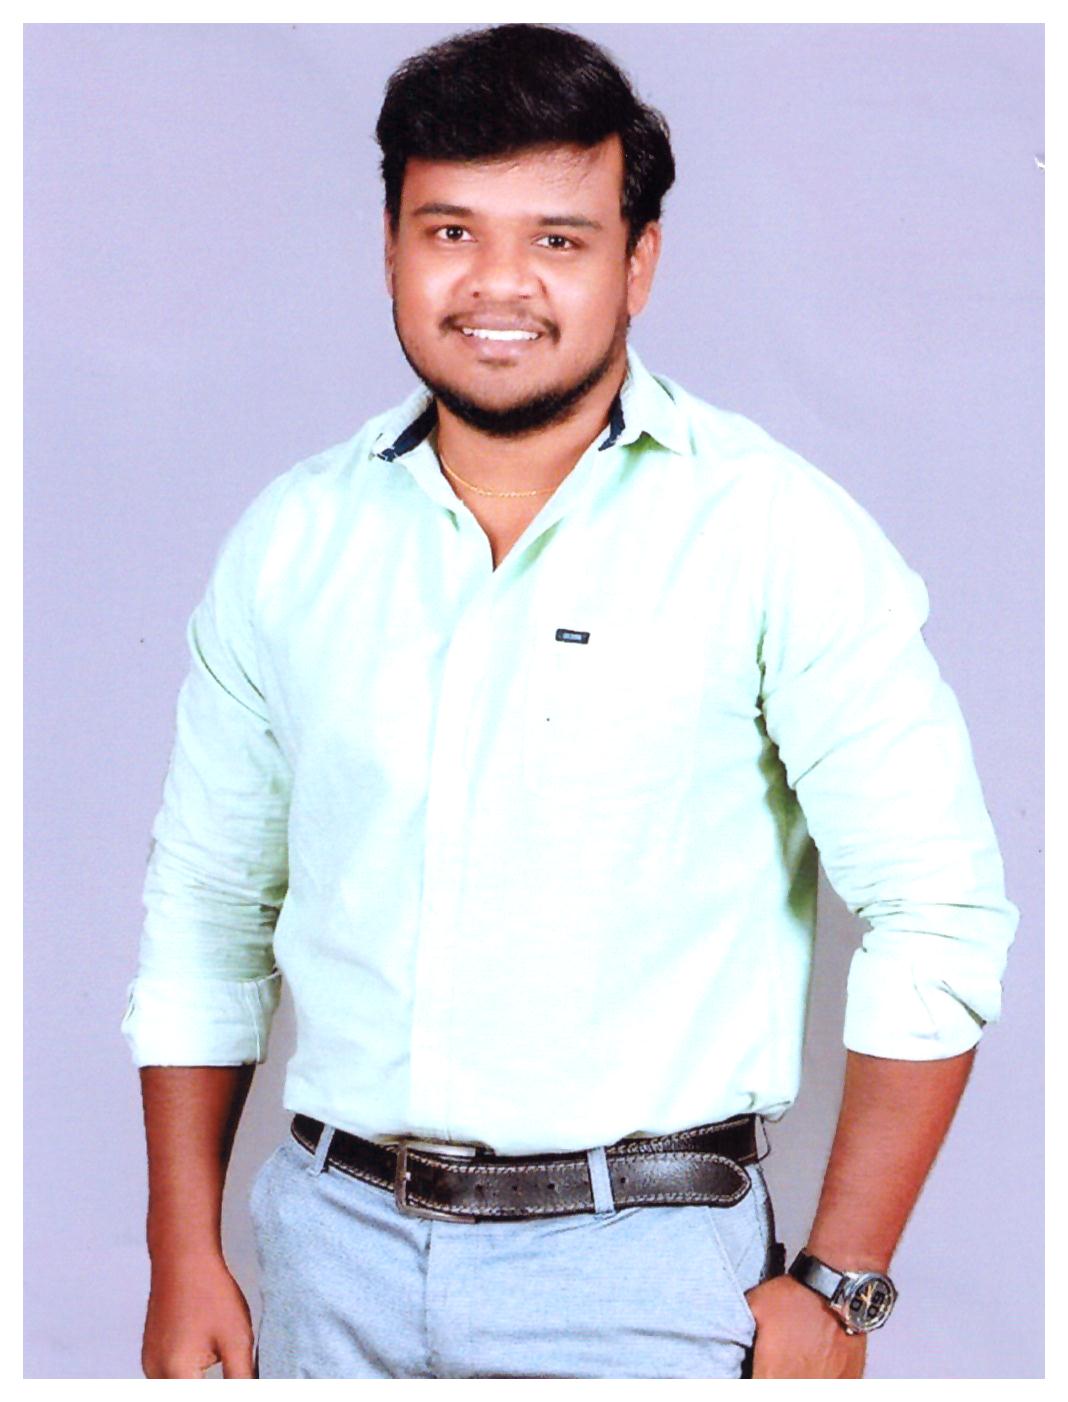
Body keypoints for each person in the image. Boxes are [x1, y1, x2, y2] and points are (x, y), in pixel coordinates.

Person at [123, 23, 1017, 1381]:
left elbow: (938, 911)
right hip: (324, 1252)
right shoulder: (290, 543)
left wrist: (843, 1284)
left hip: (642, 1274)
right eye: (450, 231)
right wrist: (181, 1247)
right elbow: (205, 913)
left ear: (638, 262)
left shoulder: (772, 532)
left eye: (558, 238)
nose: (498, 283)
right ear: (389, 246)